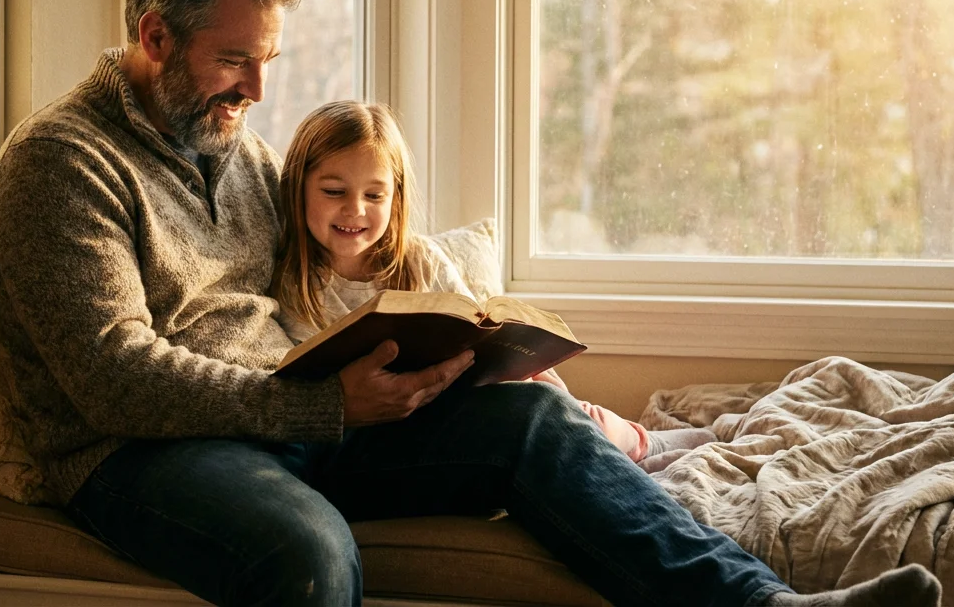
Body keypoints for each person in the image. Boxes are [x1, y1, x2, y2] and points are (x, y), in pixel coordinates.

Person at [0, 0, 943, 607]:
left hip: (283, 418)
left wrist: (445, 348)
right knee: (305, 550)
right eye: (236, 61)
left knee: (526, 419)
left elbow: (337, 258)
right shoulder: (60, 163)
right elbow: (112, 377)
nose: (258, 89)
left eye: (268, 60)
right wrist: (321, 408)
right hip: (140, 455)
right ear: (154, 38)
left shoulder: (238, 149)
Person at [272, 100, 718, 470]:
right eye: (334, 191)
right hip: (384, 433)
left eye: (374, 195)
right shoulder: (293, 282)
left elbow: (473, 323)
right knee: (532, 410)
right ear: (299, 187)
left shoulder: (418, 259)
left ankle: (636, 442)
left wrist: (520, 363)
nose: (355, 210)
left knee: (542, 391)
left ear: (396, 197)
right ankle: (630, 444)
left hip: (456, 396)